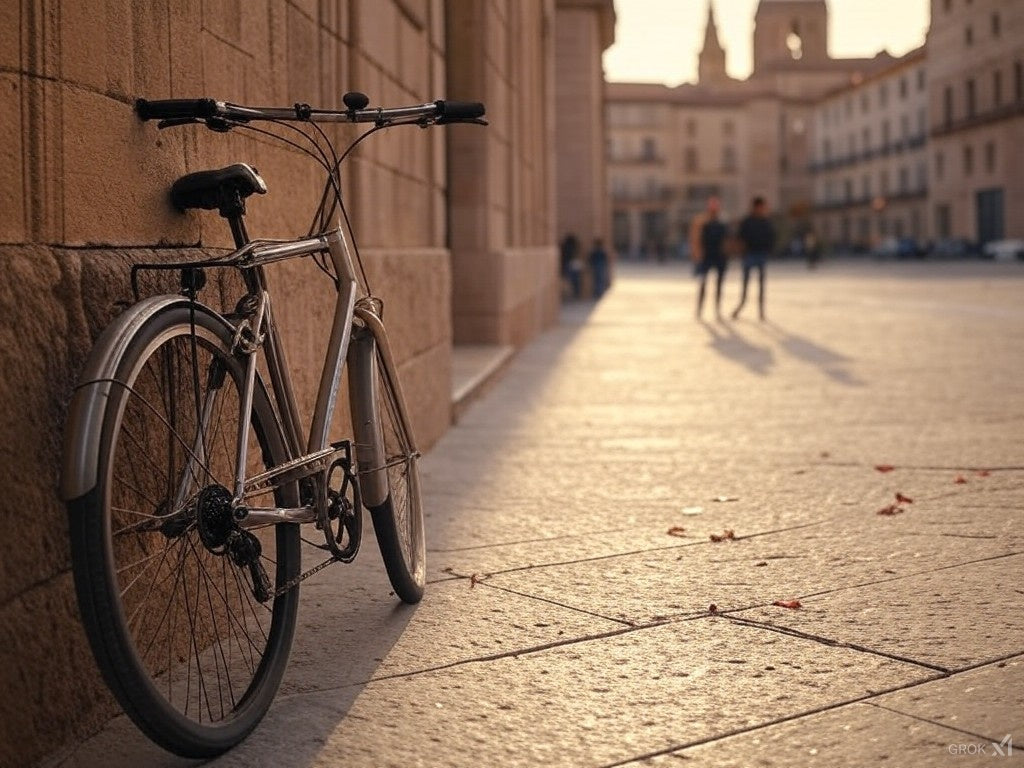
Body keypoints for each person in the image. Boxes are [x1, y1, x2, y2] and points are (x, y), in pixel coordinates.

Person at [731, 196, 776, 320]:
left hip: (760, 255)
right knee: (746, 283)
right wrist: (742, 251)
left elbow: (770, 237)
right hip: (749, 255)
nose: (763, 209)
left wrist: (768, 250)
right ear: (757, 207)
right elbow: (740, 237)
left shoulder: (765, 222)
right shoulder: (747, 221)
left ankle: (761, 310)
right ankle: (742, 304)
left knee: (761, 285)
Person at [694, 196, 728, 319]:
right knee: (703, 283)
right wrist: (698, 255)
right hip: (706, 257)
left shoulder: (722, 224)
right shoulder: (703, 223)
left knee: (719, 285)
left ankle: (717, 309)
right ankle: (699, 309)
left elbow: (726, 240)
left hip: (719, 257)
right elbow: (697, 239)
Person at [560, 233, 582, 300]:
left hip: (568, 265)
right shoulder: (574, 248)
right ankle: (576, 293)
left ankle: (571, 294)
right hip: (573, 265)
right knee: (575, 281)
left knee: (569, 280)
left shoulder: (565, 247)